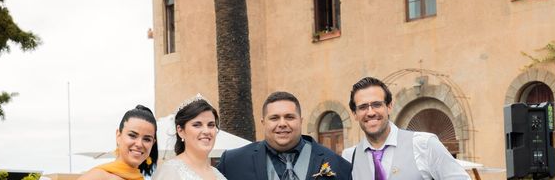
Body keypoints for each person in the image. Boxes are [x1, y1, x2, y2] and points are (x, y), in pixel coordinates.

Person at [346, 77, 469, 180]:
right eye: (362, 107)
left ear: (389, 106)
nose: (370, 112)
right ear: (354, 114)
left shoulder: (424, 144)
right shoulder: (350, 157)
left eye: (377, 104)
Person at [217, 91, 352, 180]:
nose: (282, 124)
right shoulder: (232, 163)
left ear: (300, 121)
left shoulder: (337, 165)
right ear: (263, 123)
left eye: (289, 117)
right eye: (274, 118)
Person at [153, 96, 226, 180]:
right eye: (197, 125)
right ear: (180, 131)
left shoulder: (218, 174)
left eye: (211, 125)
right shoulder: (169, 172)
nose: (206, 131)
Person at [80, 105, 158, 180]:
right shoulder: (98, 176)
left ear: (153, 143)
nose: (139, 144)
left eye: (147, 139)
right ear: (118, 136)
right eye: (132, 135)